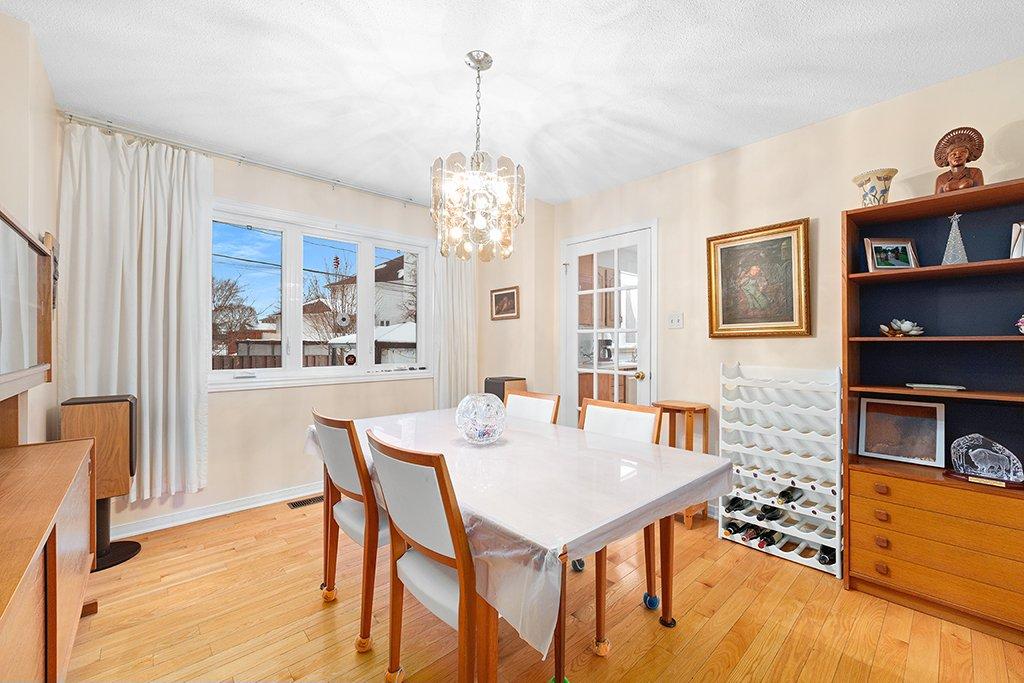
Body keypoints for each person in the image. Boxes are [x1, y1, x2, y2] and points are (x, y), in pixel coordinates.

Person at [934, 127, 984, 194]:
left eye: (962, 152)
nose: (958, 156)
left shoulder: (975, 172)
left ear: (968, 155)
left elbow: (981, 193)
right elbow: (936, 200)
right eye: (953, 154)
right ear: (947, 158)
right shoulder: (941, 178)